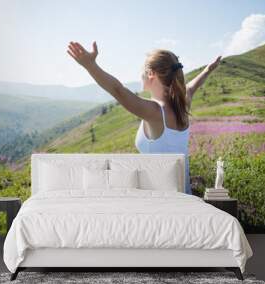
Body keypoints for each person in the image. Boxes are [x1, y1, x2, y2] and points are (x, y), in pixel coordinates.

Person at [67, 41, 221, 195]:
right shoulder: (182, 104)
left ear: (151, 74)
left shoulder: (155, 112)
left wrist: (90, 65)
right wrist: (207, 70)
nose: (140, 75)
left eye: (142, 71)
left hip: (161, 201)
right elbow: (192, 86)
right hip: (184, 196)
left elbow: (118, 90)